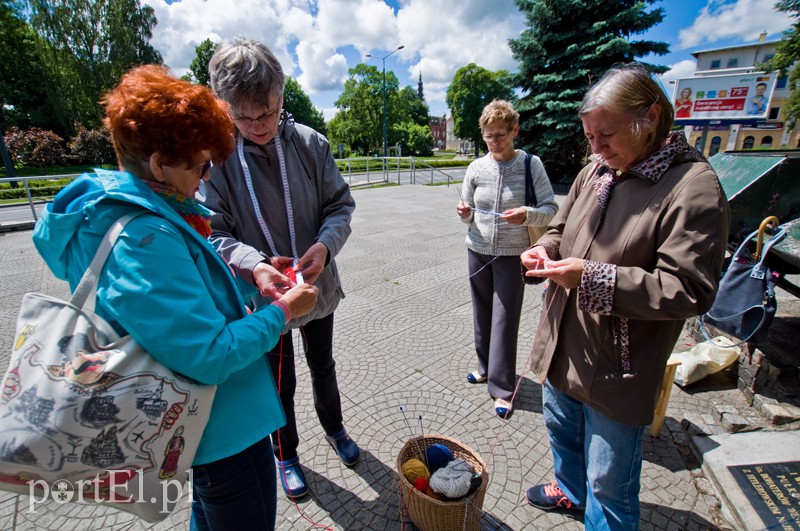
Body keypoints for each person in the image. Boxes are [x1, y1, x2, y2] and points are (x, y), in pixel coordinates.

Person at [32, 65, 319, 530]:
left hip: (207, 422)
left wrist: (254, 278)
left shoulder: (149, 212)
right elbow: (208, 354)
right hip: (220, 431)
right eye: (201, 165)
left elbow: (194, 293)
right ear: (161, 164)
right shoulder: (144, 237)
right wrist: (284, 310)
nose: (205, 178)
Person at [520, 63, 730, 529]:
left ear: (650, 117)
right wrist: (544, 248)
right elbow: (560, 225)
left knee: (609, 481)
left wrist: (593, 278)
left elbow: (690, 289)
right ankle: (568, 492)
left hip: (618, 363)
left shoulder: (693, 187)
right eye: (589, 137)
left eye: (606, 135)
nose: (595, 148)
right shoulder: (597, 168)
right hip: (562, 342)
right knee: (562, 431)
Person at [203, 37, 358, 500]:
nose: (257, 126)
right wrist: (253, 264)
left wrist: (325, 248)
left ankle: (335, 428)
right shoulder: (218, 160)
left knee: (323, 365)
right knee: (278, 379)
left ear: (282, 96)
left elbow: (340, 206)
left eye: (266, 112)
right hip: (264, 296)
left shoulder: (311, 144)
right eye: (243, 116)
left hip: (316, 285)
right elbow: (212, 231)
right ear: (226, 108)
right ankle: (285, 452)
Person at [456, 100, 558, 417]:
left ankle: (502, 388)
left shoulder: (531, 165)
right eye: (488, 136)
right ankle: (485, 367)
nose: (495, 142)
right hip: (477, 250)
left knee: (504, 319)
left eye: (500, 134)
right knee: (482, 315)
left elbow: (551, 209)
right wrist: (465, 214)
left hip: (512, 256)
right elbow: (466, 210)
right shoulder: (475, 168)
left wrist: (527, 215)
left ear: (515, 130)